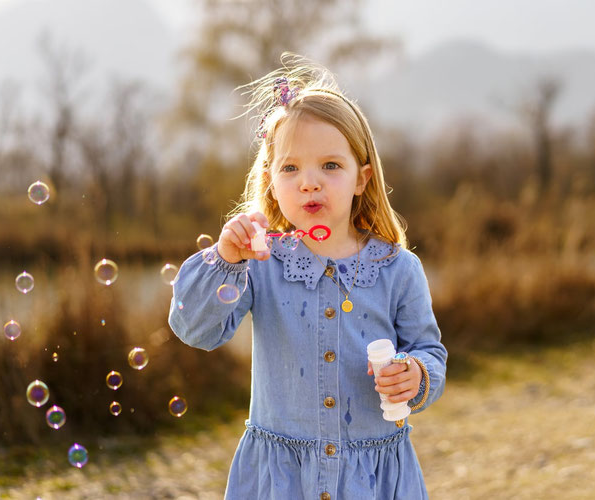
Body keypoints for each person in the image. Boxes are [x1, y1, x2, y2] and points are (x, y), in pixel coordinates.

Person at [168, 54, 447, 499]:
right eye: (290, 168)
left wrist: (417, 374)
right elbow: (195, 330)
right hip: (283, 482)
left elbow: (430, 351)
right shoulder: (259, 262)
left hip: (371, 480)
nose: (309, 183)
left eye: (330, 166)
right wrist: (226, 259)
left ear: (362, 178)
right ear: (271, 180)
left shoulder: (397, 268)